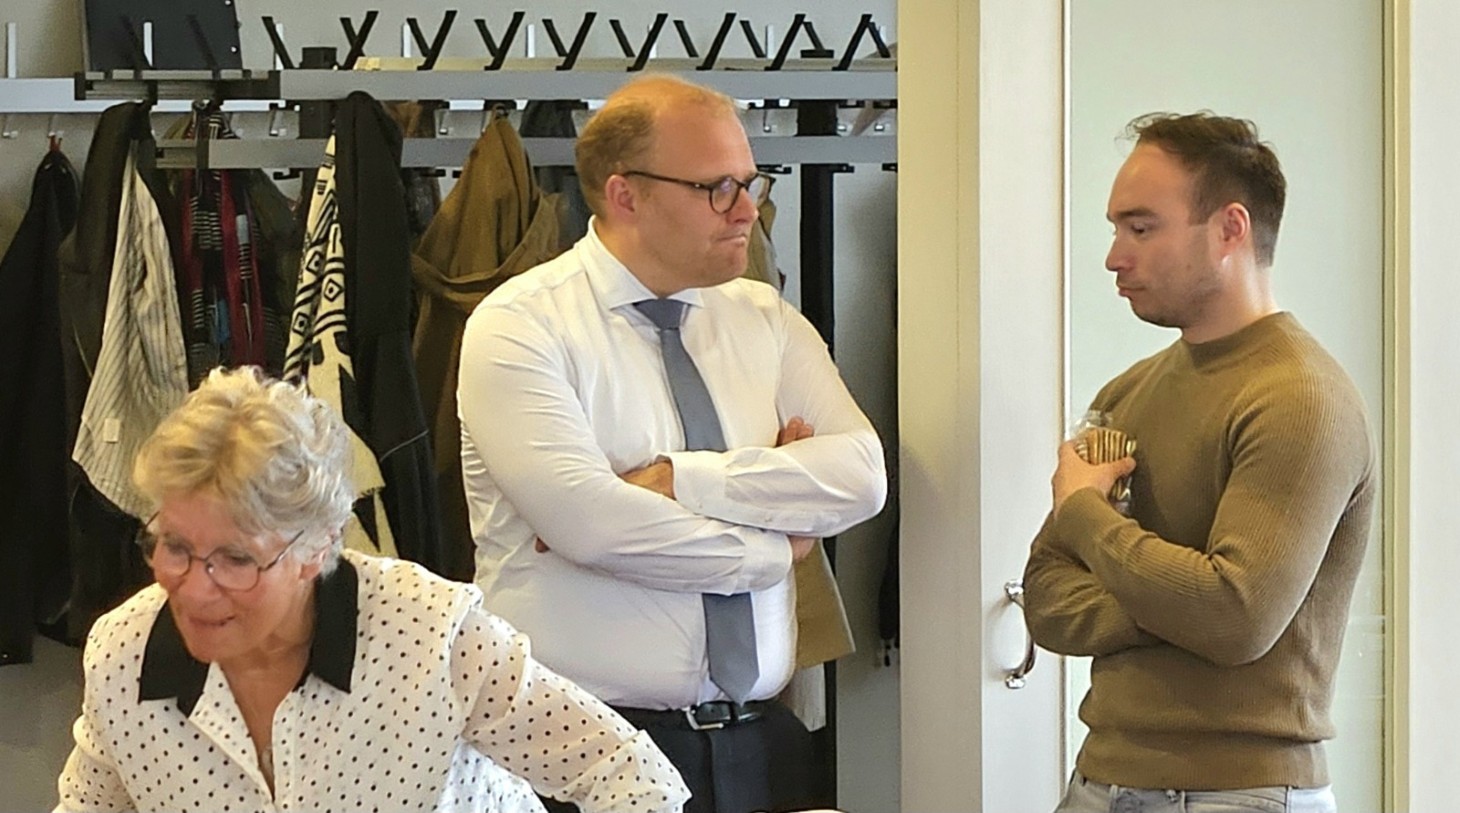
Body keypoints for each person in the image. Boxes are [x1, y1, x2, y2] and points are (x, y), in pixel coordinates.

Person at [458, 74, 888, 813]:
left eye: (749, 182)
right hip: (580, 748)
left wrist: (679, 480)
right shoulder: (521, 327)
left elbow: (861, 476)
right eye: (717, 188)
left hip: (759, 743)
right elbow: (593, 526)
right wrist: (776, 547)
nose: (747, 210)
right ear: (625, 195)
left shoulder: (764, 318)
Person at [55, 366, 689, 813]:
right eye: (174, 547)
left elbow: (631, 778)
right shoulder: (123, 655)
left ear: (318, 547)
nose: (195, 589)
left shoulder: (431, 635)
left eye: (237, 559)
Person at [1021, 112, 1375, 813]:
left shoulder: (1300, 398)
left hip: (1241, 793)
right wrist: (1179, 597)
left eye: (1141, 228)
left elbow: (1234, 619)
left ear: (1229, 229)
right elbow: (1046, 600)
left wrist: (1086, 511)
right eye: (1116, 229)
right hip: (1098, 782)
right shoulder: (1124, 395)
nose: (1114, 257)